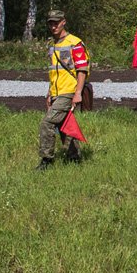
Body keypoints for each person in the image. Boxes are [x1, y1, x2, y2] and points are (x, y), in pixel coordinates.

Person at [39, 10, 89, 170]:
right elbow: (55, 72)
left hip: (69, 91)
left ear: (63, 22)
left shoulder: (74, 43)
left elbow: (82, 70)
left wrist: (78, 93)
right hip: (56, 92)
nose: (53, 26)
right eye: (50, 23)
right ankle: (74, 158)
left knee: (47, 123)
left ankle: (47, 160)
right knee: (64, 125)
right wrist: (49, 93)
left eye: (56, 22)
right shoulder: (53, 45)